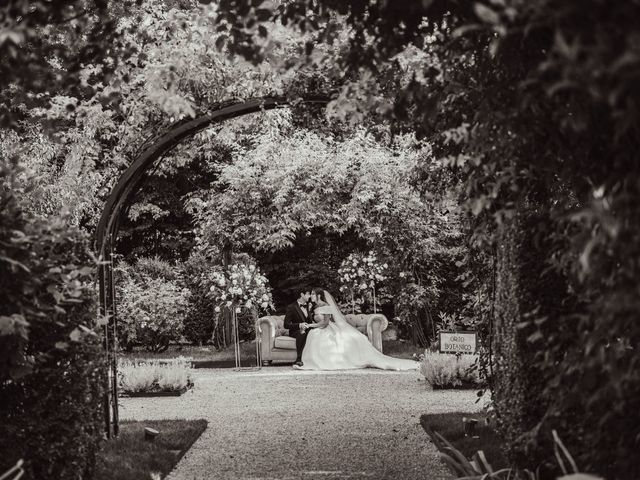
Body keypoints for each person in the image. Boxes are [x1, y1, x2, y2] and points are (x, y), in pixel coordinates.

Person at [300, 290, 419, 371]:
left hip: (325, 328)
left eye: (313, 294)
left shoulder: (325, 306)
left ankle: (321, 362)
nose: (311, 296)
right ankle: (312, 361)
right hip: (320, 327)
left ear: (319, 296)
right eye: (311, 294)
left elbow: (325, 323)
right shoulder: (315, 306)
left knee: (315, 335)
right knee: (313, 335)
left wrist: (310, 326)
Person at [283, 287, 317, 368]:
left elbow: (309, 321)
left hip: (308, 329)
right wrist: (299, 325)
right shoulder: (291, 307)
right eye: (308, 294)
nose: (309, 296)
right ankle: (299, 359)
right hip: (296, 331)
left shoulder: (309, 306)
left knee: (315, 333)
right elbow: (286, 325)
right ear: (302, 294)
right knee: (302, 333)